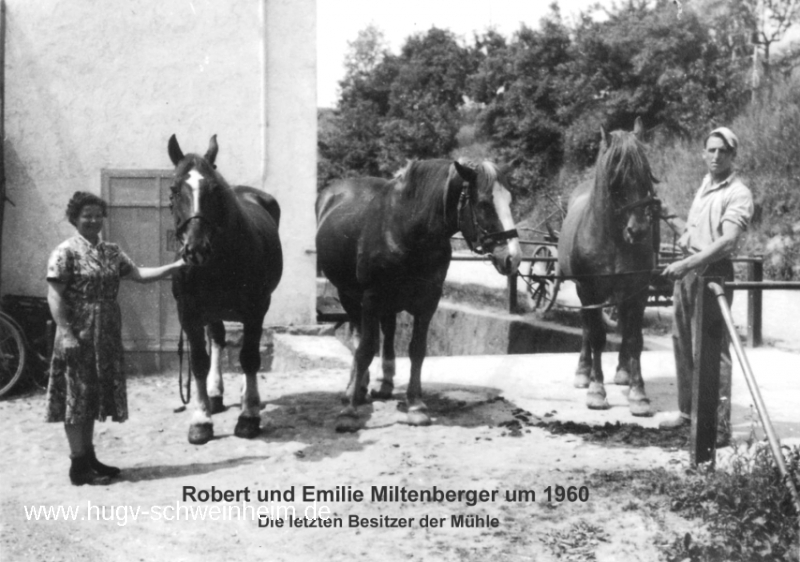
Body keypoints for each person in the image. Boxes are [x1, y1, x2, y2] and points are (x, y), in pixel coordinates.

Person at [45, 191, 185, 485]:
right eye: (86, 215)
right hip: (78, 331)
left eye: (97, 215)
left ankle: (90, 458)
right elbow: (55, 296)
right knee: (76, 397)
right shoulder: (65, 252)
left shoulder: (110, 251)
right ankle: (78, 466)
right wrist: (66, 333)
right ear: (75, 219)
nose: (93, 220)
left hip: (106, 331)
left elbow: (139, 275)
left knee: (93, 395)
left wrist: (175, 267)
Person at [659, 127, 754, 447]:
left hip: (714, 276)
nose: (716, 157)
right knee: (682, 341)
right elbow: (695, 233)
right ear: (704, 154)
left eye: (722, 152)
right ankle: (688, 415)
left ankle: (720, 426)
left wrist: (688, 263)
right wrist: (673, 222)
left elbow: (726, 242)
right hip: (688, 273)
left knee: (714, 352)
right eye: (711, 150)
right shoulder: (704, 185)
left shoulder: (738, 193)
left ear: (732, 156)